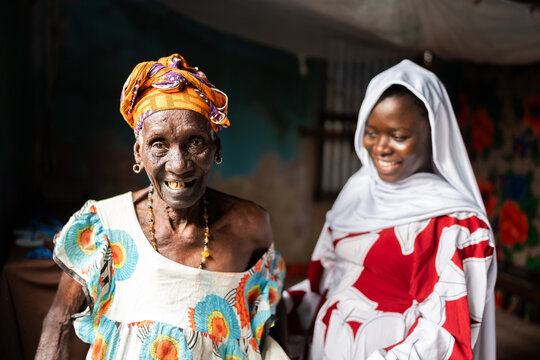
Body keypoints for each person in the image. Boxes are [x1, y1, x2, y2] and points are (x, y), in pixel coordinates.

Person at [36, 53, 288, 359]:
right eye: (159, 144)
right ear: (138, 153)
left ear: (216, 148)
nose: (179, 164)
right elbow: (60, 322)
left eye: (195, 142)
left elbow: (271, 313)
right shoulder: (105, 227)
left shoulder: (250, 226)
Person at [285, 60, 496, 359]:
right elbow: (326, 282)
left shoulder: (455, 222)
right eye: (371, 132)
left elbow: (446, 333)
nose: (381, 147)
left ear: (435, 136)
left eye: (398, 136)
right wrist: (280, 307)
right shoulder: (355, 194)